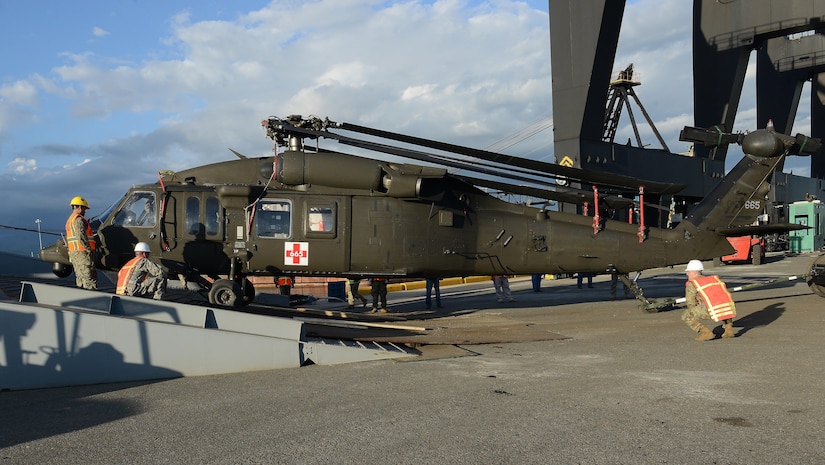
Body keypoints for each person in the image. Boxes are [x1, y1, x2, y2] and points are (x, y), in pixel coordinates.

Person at [682, 259, 736, 341]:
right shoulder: (712, 280)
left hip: (709, 309)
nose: (687, 274)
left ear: (694, 273)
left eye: (688, 272)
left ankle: (706, 332)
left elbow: (691, 303)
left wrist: (694, 310)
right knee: (722, 304)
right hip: (726, 307)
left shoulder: (692, 284)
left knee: (686, 315)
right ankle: (729, 329)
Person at [65, 195, 98, 290]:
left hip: (74, 253)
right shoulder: (79, 220)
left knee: (80, 278)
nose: (84, 211)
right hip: (82, 253)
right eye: (84, 209)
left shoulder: (70, 220)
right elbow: (81, 236)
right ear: (79, 207)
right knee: (89, 278)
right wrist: (88, 249)